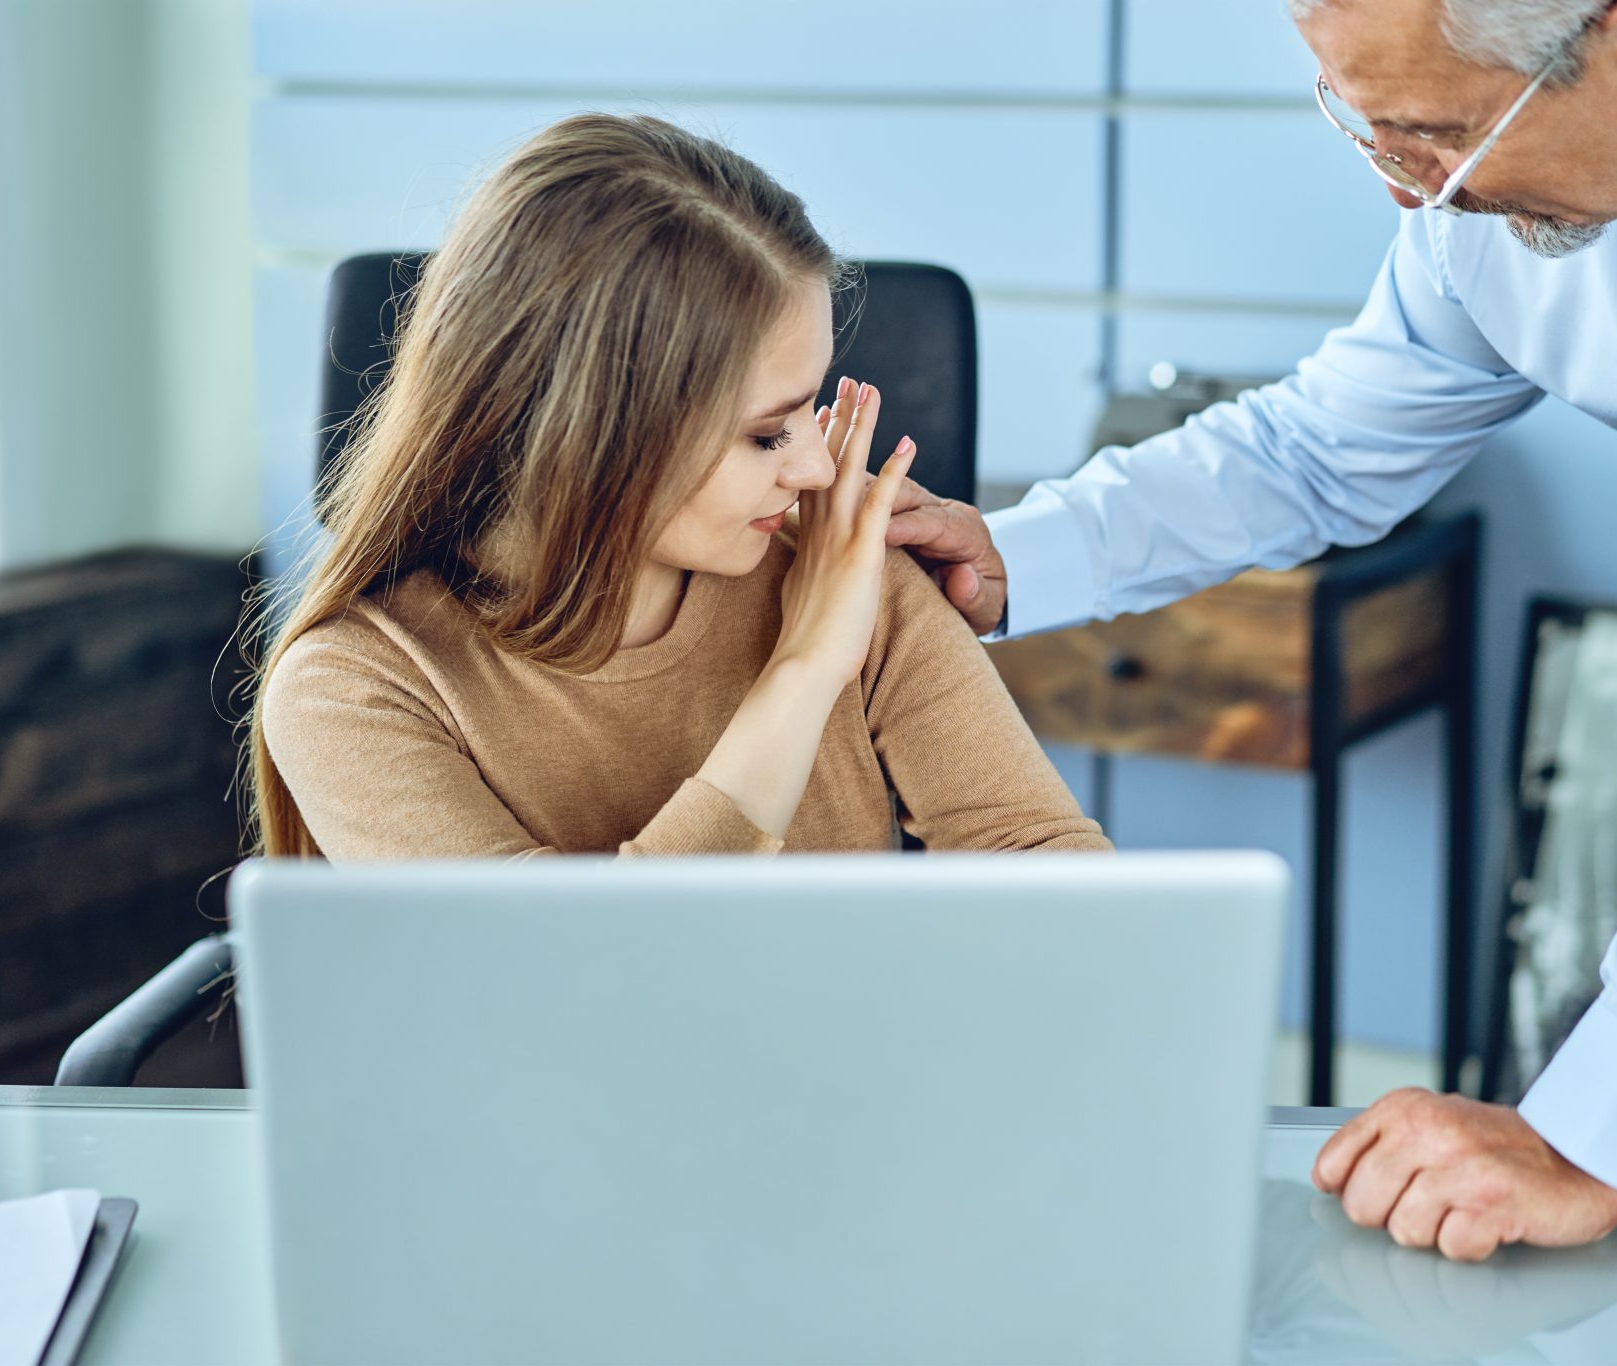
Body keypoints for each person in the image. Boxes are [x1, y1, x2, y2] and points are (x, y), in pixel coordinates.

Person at [886, 0, 1617, 1260]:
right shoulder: (1494, 177)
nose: (1412, 194)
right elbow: (1319, 442)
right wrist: (1012, 553)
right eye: (1363, 127)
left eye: (1428, 134)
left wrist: (1597, 1126)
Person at [249, 113, 1109, 861]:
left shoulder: (844, 575)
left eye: (810, 408)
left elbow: (1045, 862)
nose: (814, 469)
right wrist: (804, 671)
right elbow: (566, 988)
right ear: (587, 436)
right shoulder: (356, 688)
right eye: (765, 433)